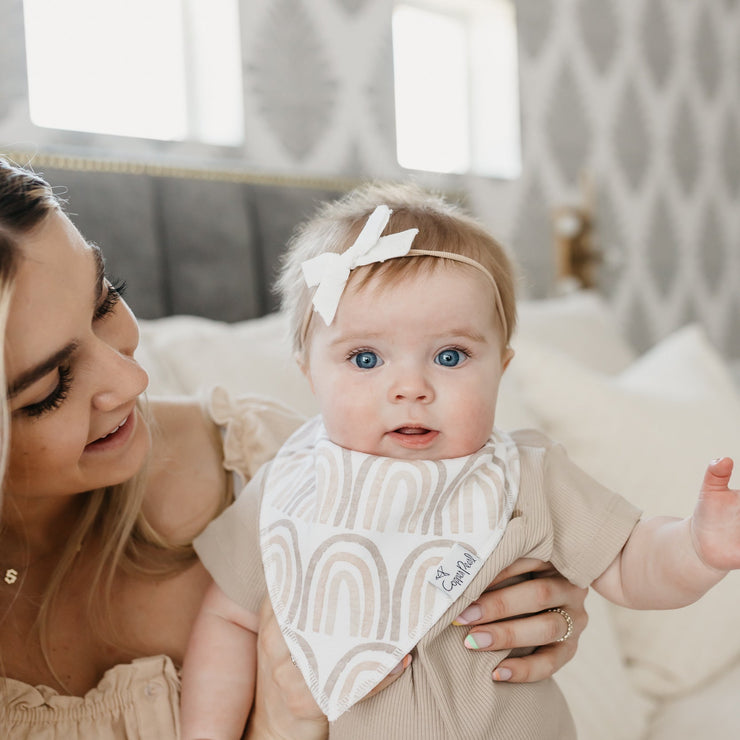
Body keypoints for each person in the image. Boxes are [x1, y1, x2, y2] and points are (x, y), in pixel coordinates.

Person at [0, 158, 590, 739]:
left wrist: (545, 608)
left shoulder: (276, 464)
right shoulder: (274, 510)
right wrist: (276, 724)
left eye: (105, 302)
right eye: (49, 390)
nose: (133, 382)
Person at [181, 182, 739, 740]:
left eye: (450, 356)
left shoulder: (526, 474)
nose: (411, 387)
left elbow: (630, 561)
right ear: (308, 372)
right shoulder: (290, 486)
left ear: (501, 366)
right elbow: (229, 617)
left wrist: (695, 547)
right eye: (366, 357)